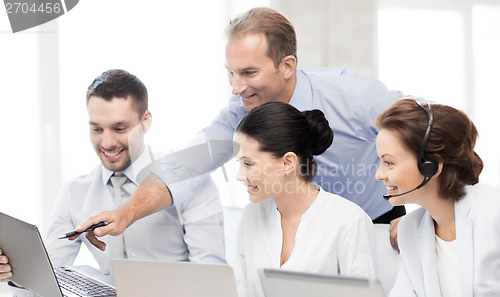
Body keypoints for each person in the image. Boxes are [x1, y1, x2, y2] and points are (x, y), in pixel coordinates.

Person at [76, 7, 404, 252]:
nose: (236, 87)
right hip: (294, 233)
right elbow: (183, 166)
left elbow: (437, 134)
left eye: (248, 72)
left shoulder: (356, 98)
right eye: (230, 73)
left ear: (287, 65)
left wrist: (424, 218)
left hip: (376, 225)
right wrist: (126, 213)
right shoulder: (239, 110)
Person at [0, 69, 226, 297]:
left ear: (145, 121)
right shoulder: (74, 193)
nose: (107, 143)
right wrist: (21, 277)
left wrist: (148, 295)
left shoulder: (188, 181)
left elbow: (212, 285)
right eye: (97, 129)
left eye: (119, 128)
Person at [234, 102, 377, 297]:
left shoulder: (348, 221)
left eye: (248, 164)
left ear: (288, 162)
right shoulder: (252, 215)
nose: (239, 176)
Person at [375, 98, 500, 297]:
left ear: (431, 165)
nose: (379, 175)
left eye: (389, 163)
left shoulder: (493, 211)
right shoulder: (410, 228)